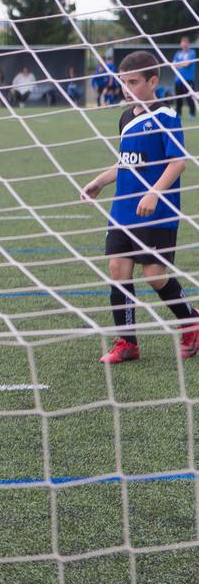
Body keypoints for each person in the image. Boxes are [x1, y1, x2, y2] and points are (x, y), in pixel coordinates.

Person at [78, 50, 199, 363]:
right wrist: (100, 181)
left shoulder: (166, 116)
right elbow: (125, 162)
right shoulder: (125, 117)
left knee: (154, 275)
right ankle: (127, 342)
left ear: (153, 81)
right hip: (123, 210)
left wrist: (154, 193)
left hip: (155, 211)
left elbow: (178, 162)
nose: (126, 88)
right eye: (122, 81)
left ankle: (191, 322)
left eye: (133, 82)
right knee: (118, 269)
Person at [173, 37, 196, 120]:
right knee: (178, 98)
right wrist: (180, 64)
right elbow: (173, 64)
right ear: (181, 44)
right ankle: (178, 114)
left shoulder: (192, 53)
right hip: (178, 80)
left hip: (188, 79)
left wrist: (179, 64)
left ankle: (192, 114)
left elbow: (187, 63)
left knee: (189, 97)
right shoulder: (178, 53)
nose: (184, 44)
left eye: (185, 43)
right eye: (182, 43)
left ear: (188, 44)